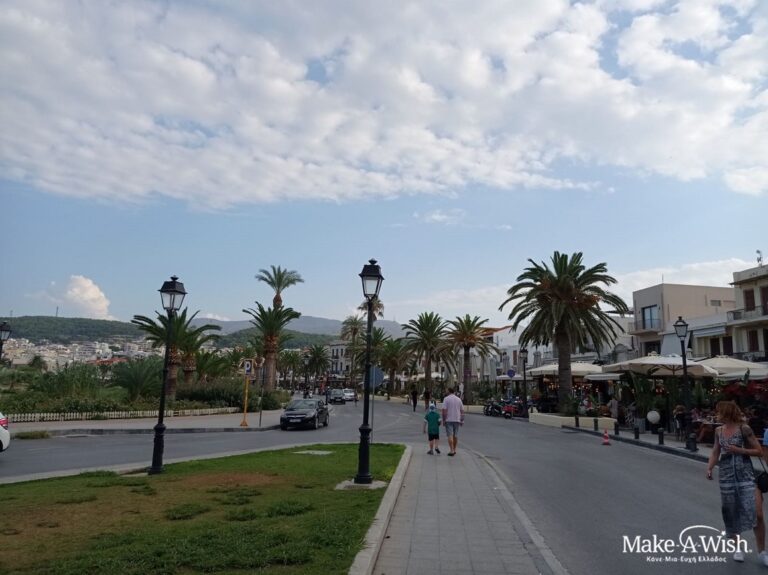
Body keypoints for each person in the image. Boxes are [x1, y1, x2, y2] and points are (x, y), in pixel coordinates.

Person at [706, 400, 762, 563]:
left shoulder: (744, 428)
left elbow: (759, 451)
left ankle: (762, 552)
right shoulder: (718, 430)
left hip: (746, 475)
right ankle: (737, 548)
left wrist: (740, 450)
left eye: (719, 411)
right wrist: (710, 467)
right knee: (731, 512)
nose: (716, 414)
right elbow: (715, 451)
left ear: (727, 412)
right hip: (726, 476)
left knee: (757, 513)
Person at [441, 387, 465, 457]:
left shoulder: (446, 399)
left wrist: (444, 420)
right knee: (455, 435)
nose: (446, 391)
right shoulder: (458, 399)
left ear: (449, 391)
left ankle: (451, 450)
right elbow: (462, 411)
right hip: (457, 419)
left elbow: (444, 411)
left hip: (449, 420)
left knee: (450, 435)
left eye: (446, 390)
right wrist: (462, 420)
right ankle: (454, 449)